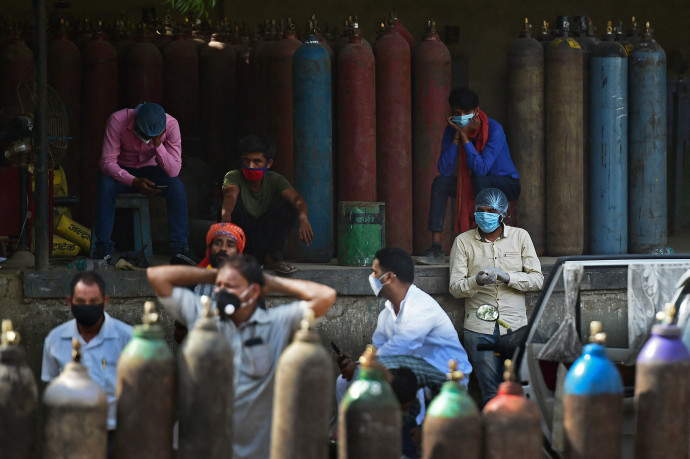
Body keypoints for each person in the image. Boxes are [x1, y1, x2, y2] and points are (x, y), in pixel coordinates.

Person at [146, 255, 337, 459]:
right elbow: (156, 276)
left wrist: (271, 282)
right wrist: (214, 275)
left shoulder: (276, 324)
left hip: (255, 452)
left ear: (253, 291)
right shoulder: (201, 318)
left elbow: (325, 295)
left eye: (231, 286)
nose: (220, 291)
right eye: (219, 286)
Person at [336, 247, 472, 402]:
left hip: (447, 377)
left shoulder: (421, 305)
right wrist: (352, 366)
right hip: (411, 368)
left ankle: (414, 425)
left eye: (375, 272)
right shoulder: (386, 314)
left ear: (388, 277)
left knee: (402, 378)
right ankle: (349, 424)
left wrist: (360, 366)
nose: (371, 277)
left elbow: (400, 348)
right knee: (344, 380)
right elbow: (378, 351)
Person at [448, 188, 543, 406]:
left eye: (490, 211)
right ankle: (494, 436)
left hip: (515, 327)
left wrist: (507, 277)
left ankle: (517, 435)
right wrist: (476, 281)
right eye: (480, 211)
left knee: (518, 388)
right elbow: (455, 287)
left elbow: (537, 280)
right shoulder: (463, 242)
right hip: (479, 328)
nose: (485, 215)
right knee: (489, 391)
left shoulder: (520, 237)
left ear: (502, 214)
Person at [417, 87, 521, 265]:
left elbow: (481, 169)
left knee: (481, 181)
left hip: (506, 183)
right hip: (475, 183)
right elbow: (445, 169)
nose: (462, 116)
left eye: (467, 112)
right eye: (458, 113)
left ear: (477, 112)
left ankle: (483, 246)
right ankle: (436, 249)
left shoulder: (494, 130)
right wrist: (457, 138)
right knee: (440, 182)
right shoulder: (452, 130)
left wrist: (464, 137)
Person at [92, 102, 198, 265]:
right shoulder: (117, 120)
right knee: (105, 186)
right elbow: (107, 162)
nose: (146, 139)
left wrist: (157, 143)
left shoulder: (171, 125)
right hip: (120, 170)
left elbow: (173, 170)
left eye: (153, 135)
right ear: (135, 121)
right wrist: (133, 181)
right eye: (144, 133)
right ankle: (102, 250)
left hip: (150, 170)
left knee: (176, 187)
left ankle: (180, 250)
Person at [42, 272, 133, 436]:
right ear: (70, 302)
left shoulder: (127, 338)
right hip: (71, 433)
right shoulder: (55, 340)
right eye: (81, 302)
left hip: (115, 434)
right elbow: (51, 390)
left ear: (105, 301)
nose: (87, 306)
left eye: (93, 301)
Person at [220, 134, 313, 274]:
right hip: (241, 240)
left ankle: (272, 261)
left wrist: (303, 218)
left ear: (268, 164)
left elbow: (297, 200)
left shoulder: (275, 180)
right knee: (229, 206)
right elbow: (230, 195)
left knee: (288, 206)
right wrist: (225, 216)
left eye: (257, 161)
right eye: (247, 160)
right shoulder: (233, 176)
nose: (251, 166)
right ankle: (240, 259)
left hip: (265, 240)